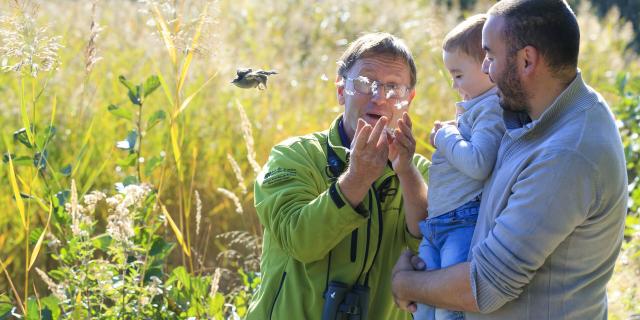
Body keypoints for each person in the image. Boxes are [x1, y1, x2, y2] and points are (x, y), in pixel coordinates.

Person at [391, 1, 628, 319]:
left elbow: (485, 287)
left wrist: (406, 284)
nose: (485, 69)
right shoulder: (541, 112)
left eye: (490, 56)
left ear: (527, 60)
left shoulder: (567, 154)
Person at [245, 32, 429, 320]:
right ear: (341, 90)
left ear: (409, 99)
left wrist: (405, 173)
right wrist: (357, 178)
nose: (379, 97)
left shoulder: (419, 174)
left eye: (393, 87)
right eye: (366, 83)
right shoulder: (294, 156)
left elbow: (433, 255)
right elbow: (301, 242)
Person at [414, 14, 505, 320]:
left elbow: (478, 163)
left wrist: (445, 135)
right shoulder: (477, 108)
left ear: (488, 67)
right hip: (439, 225)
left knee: (449, 310)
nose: (454, 85)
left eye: (458, 75)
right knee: (423, 305)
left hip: (460, 223)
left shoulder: (491, 109)